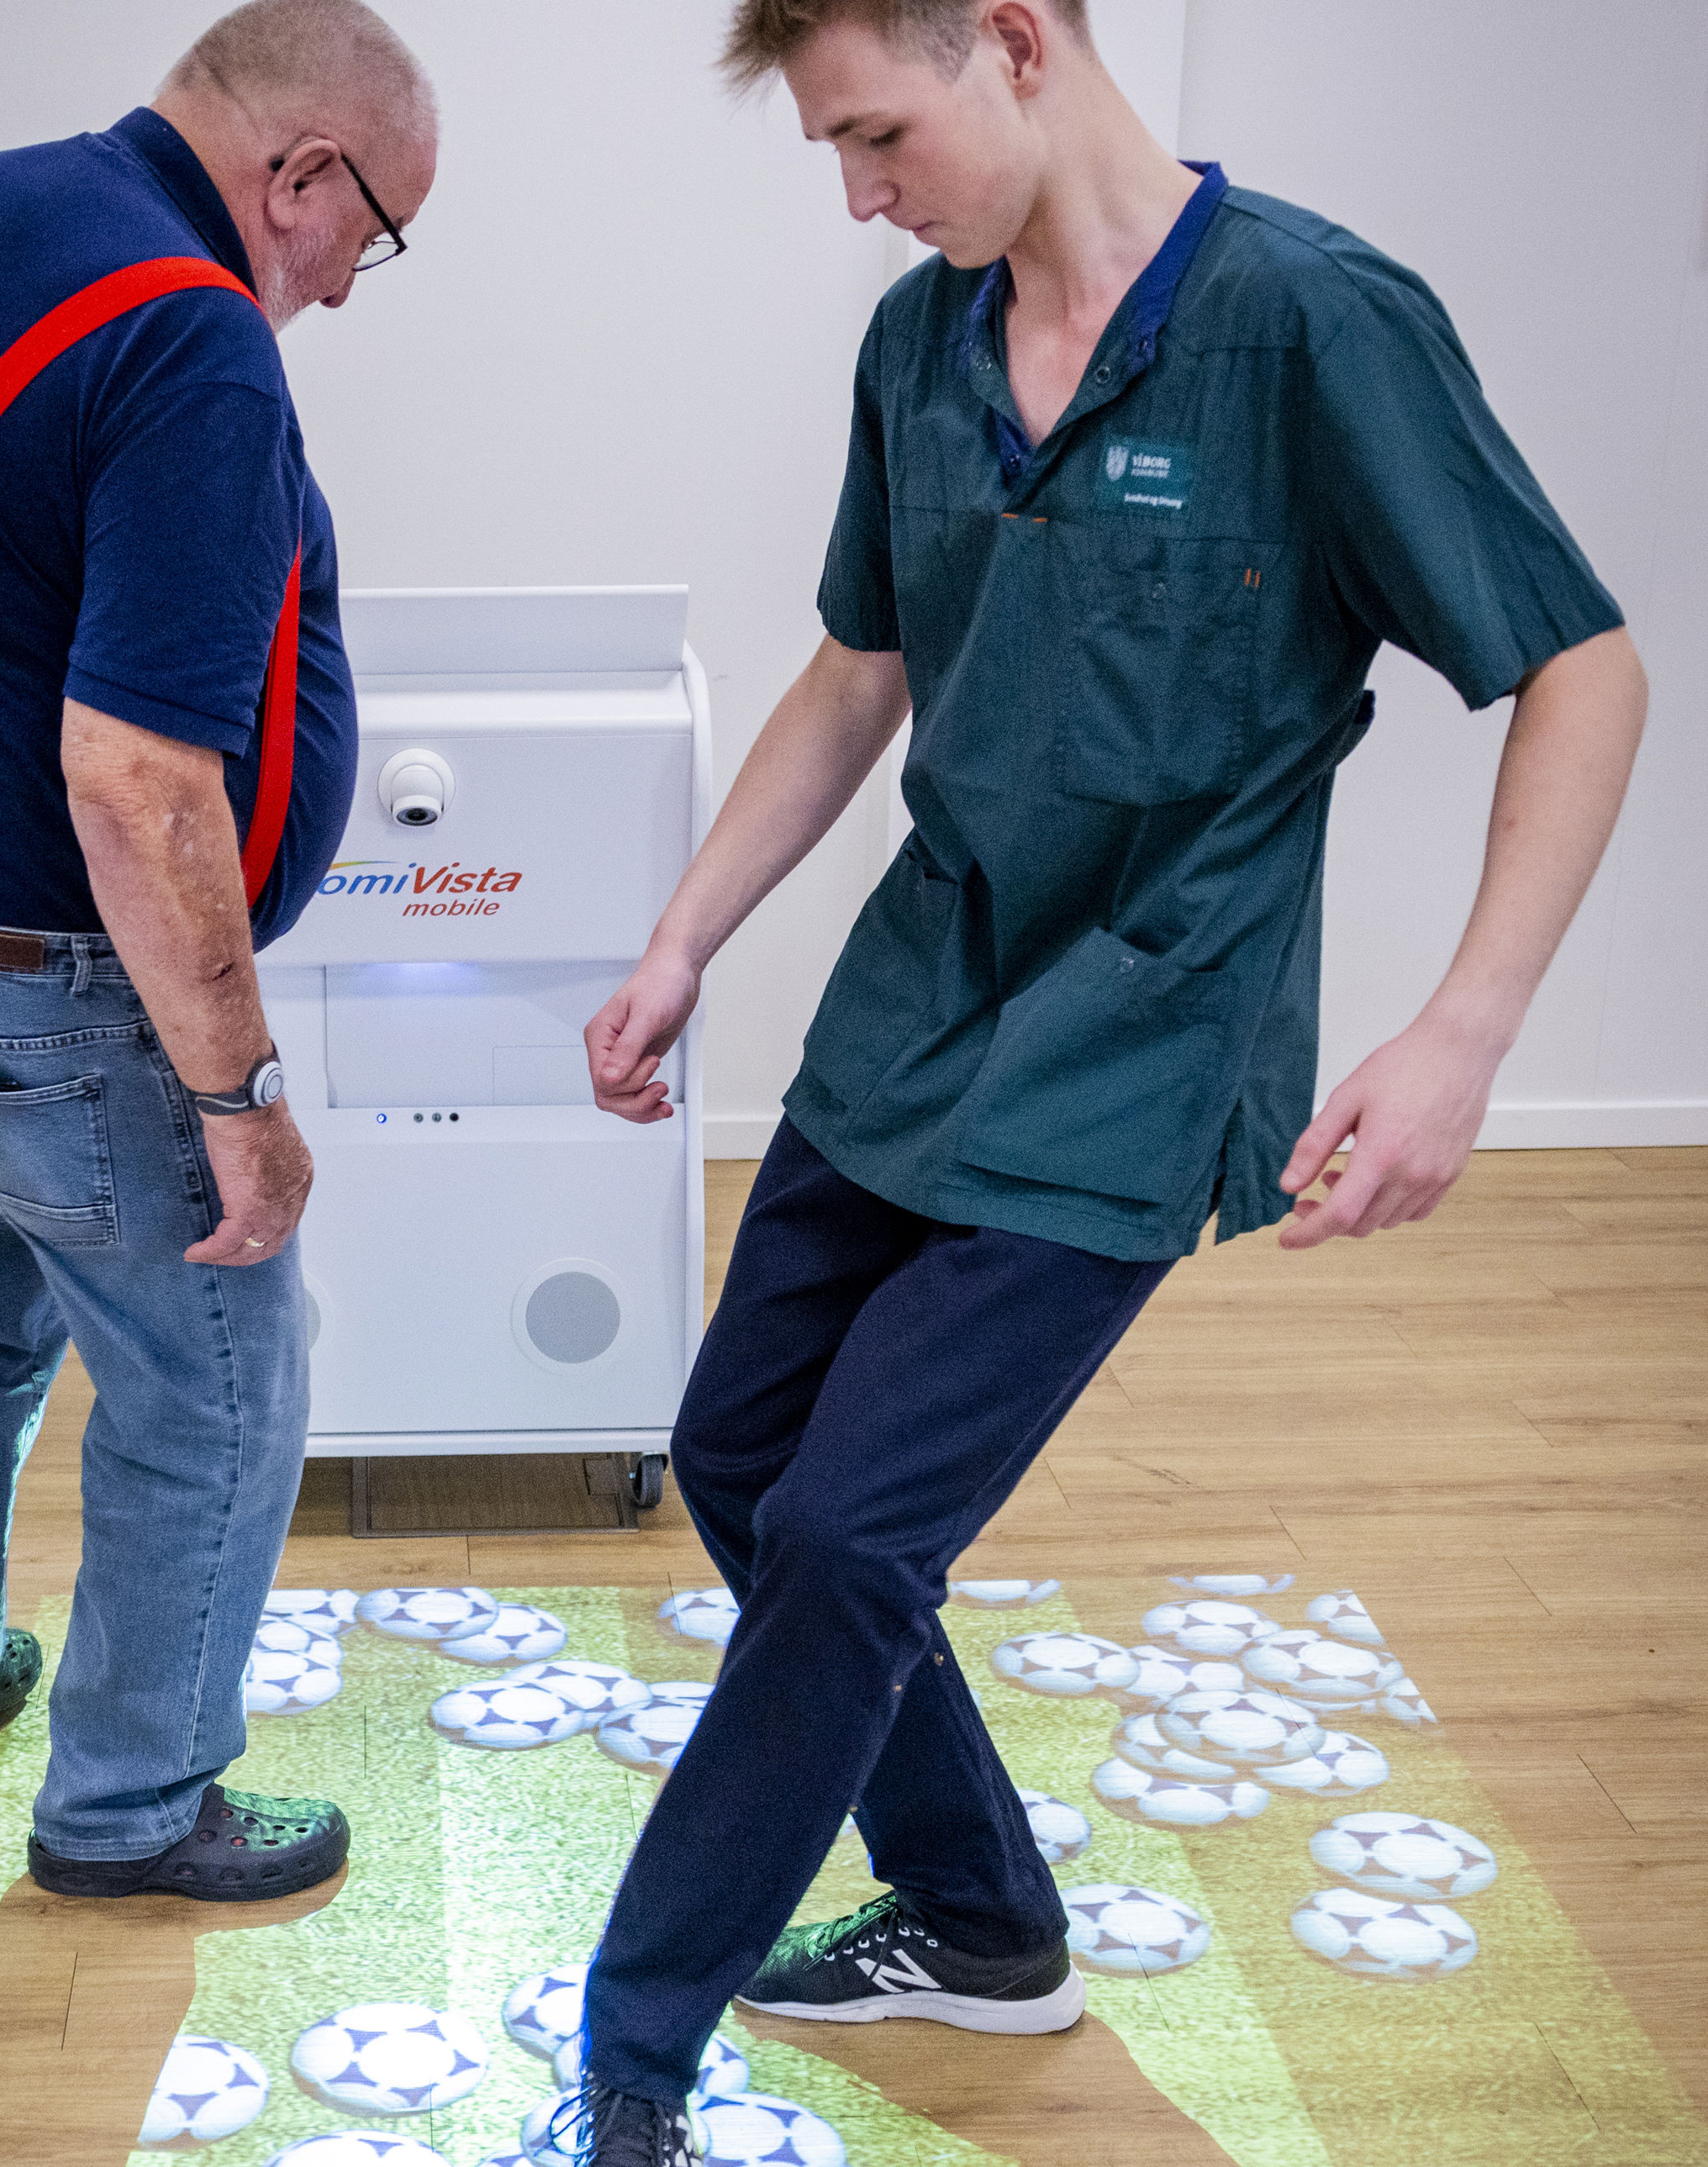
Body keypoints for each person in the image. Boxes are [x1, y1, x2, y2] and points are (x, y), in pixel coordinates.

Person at [562, 2, 1647, 2159]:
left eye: (876, 136)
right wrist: (686, 931)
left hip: (1141, 1042)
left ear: (1011, 42)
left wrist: (1459, 1029)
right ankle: (979, 1919)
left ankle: (633, 2042)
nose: (860, 197)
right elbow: (860, 663)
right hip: (916, 1003)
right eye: (833, 154)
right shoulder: (920, 346)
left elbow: (1577, 666)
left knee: (851, 1533)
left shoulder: (1311, 325)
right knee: (740, 1453)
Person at [0, 0, 436, 1901]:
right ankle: (135, 1804)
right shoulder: (192, 337)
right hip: (30, 964)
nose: (347, 282)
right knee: (217, 1373)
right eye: (371, 234)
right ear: (301, 171)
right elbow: (138, 779)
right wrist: (241, 1096)